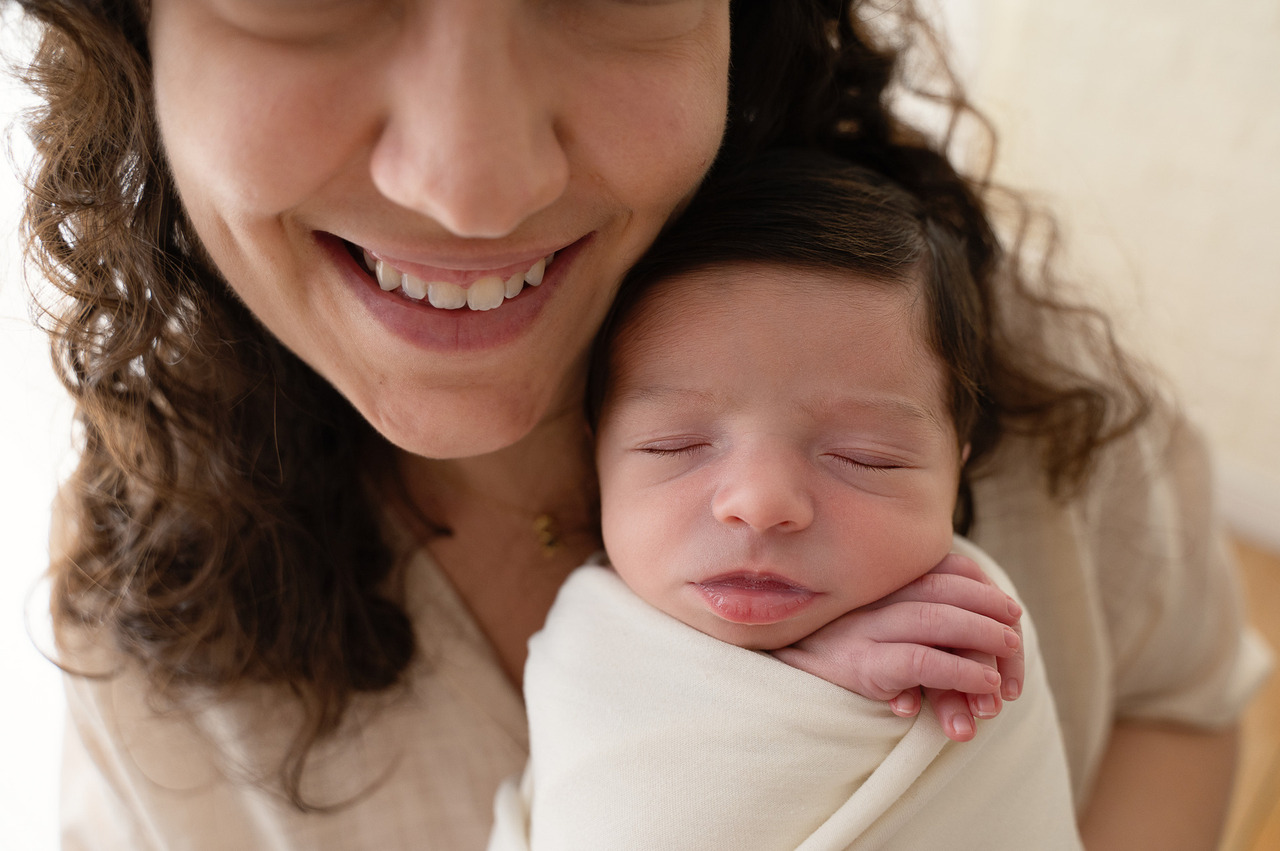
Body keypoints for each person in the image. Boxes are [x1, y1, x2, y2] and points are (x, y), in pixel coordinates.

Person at [10, 1, 1266, 849]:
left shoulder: (978, 351)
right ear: (131, 40)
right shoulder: (143, 612)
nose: (474, 182)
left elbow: (1181, 696)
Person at [489, 151, 1082, 850]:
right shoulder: (591, 640)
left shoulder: (967, 626)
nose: (760, 503)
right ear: (596, 456)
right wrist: (814, 679)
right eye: (677, 444)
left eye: (865, 457)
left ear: (958, 468)